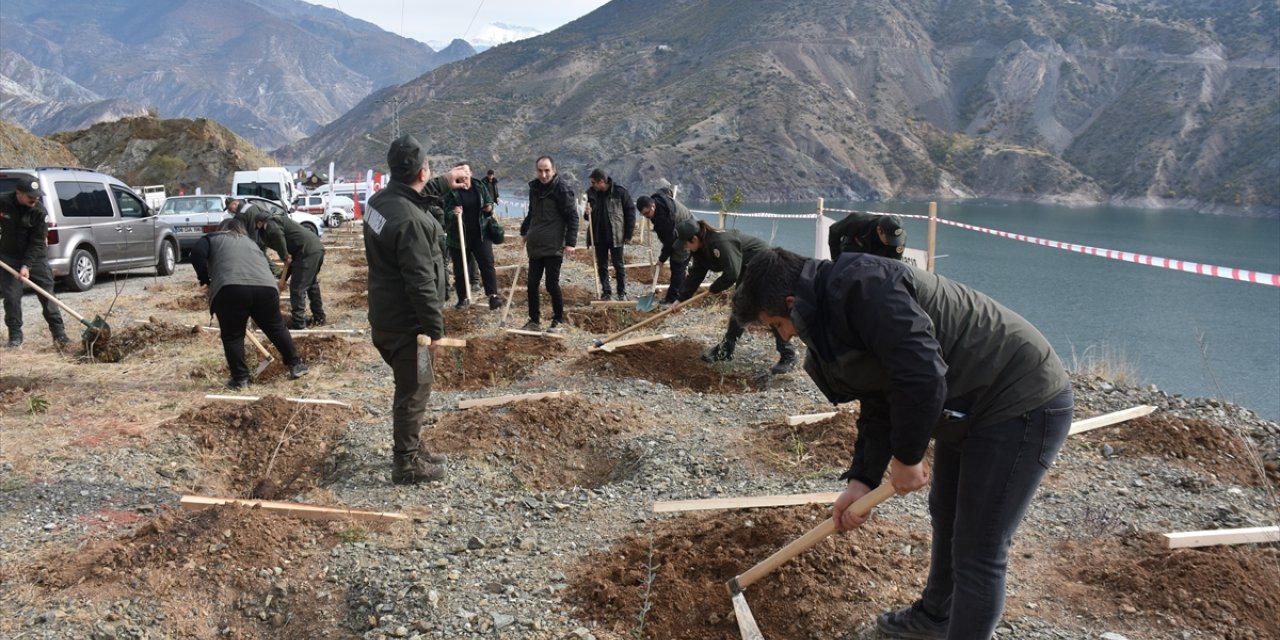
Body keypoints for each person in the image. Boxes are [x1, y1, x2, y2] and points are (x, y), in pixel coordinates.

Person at [731, 247, 1073, 640]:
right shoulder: (832, 308)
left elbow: (922, 377)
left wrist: (907, 458)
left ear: (792, 303)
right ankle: (935, 618)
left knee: (978, 548)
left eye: (776, 324)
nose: (784, 335)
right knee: (946, 513)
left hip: (1020, 397)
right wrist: (862, 479)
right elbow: (879, 396)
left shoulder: (866, 288)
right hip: (970, 399)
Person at [363, 134, 470, 485]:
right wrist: (434, 331)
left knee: (409, 385)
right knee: (416, 387)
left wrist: (442, 181)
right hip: (413, 328)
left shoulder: (378, 203)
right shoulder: (412, 223)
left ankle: (411, 443)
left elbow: (407, 195)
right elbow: (421, 281)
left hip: (386, 317)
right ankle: (406, 463)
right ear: (422, 171)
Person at [190, 217, 308, 389]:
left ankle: (240, 379)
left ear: (221, 229)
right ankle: (296, 364)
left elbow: (197, 253)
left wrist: (204, 280)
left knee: (233, 335)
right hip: (266, 288)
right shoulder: (251, 243)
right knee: (276, 327)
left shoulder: (212, 238)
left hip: (231, 288)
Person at [672, 219, 796, 374]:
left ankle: (788, 354)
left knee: (768, 307)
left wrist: (714, 288)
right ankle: (727, 348)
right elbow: (695, 275)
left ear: (695, 239)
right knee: (740, 306)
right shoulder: (700, 250)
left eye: (685, 244)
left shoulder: (720, 242)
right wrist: (681, 299)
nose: (686, 248)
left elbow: (732, 273)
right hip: (747, 266)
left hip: (765, 264)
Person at [0, 179, 70, 348]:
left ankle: (59, 334)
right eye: (31, 196)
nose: (35, 199)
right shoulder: (3, 202)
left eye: (37, 196)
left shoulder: (40, 212)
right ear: (18, 193)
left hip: (36, 258)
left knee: (47, 295)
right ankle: (15, 336)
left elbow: (38, 242)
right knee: (11, 297)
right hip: (8, 257)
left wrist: (26, 266)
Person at [518, 155, 577, 333]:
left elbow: (572, 217)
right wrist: (524, 230)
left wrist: (570, 243)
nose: (543, 175)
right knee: (531, 284)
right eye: (540, 171)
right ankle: (534, 320)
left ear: (554, 170)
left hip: (553, 246)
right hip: (535, 245)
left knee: (551, 284)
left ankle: (558, 320)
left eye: (547, 171)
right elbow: (532, 213)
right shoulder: (534, 189)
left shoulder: (562, 190)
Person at [442, 162, 502, 310]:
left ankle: (493, 296)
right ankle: (462, 298)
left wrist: (489, 208)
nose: (463, 176)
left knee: (487, 263)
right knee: (461, 267)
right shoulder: (451, 191)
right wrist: (453, 212)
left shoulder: (480, 186)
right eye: (459, 173)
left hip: (481, 233)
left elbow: (488, 204)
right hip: (459, 236)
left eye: (465, 172)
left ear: (471, 173)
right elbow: (445, 212)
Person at [253, 209, 327, 329]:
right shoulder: (278, 222)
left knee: (297, 288)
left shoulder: (271, 224)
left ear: (260, 223)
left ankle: (298, 323)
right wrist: (282, 277)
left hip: (306, 252)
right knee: (311, 284)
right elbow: (291, 264)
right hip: (312, 249)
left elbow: (277, 235)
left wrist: (284, 256)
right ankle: (319, 318)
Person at [636, 185, 694, 306]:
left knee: (678, 265)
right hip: (679, 230)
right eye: (643, 215)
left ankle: (673, 299)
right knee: (677, 264)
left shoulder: (664, 218)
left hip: (688, 233)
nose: (646, 216)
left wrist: (662, 259)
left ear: (653, 206)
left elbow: (670, 241)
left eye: (647, 213)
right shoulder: (658, 199)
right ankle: (679, 292)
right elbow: (666, 190)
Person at [583, 168, 636, 300]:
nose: (592, 185)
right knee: (602, 265)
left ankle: (621, 292)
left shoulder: (620, 192)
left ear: (602, 182)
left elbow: (630, 213)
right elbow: (587, 217)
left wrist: (628, 234)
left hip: (616, 235)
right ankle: (606, 291)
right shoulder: (591, 194)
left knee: (619, 264)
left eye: (594, 182)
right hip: (598, 235)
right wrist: (586, 213)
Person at [828, 211, 906, 260]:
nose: (891, 243)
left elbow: (893, 265)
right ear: (879, 230)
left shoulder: (899, 241)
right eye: (889, 239)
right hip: (851, 254)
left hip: (877, 263)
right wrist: (836, 259)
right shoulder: (857, 221)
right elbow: (834, 230)